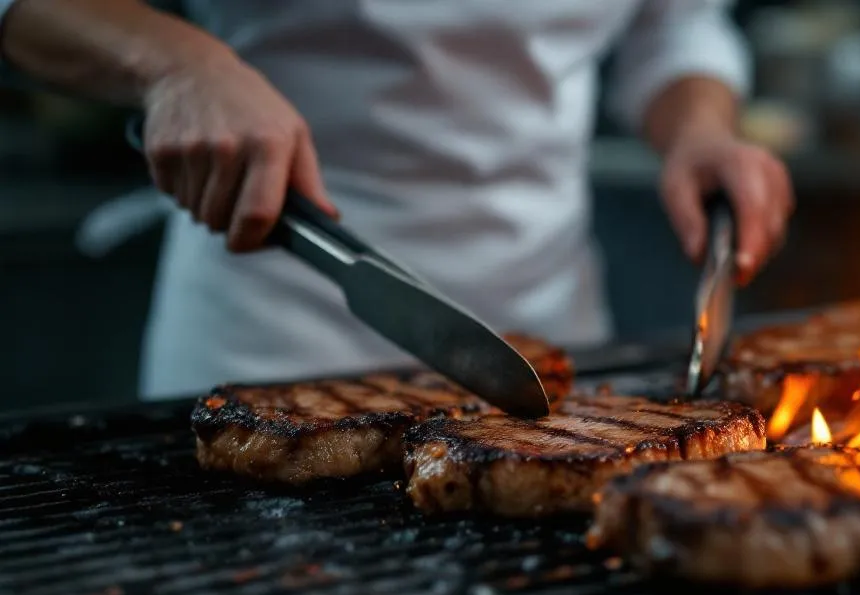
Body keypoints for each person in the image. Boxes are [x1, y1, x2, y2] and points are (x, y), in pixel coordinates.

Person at [0, 0, 794, 398]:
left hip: (546, 332)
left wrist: (699, 131)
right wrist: (179, 65)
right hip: (273, 316)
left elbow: (676, 26)